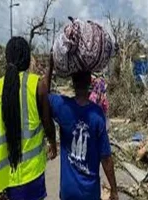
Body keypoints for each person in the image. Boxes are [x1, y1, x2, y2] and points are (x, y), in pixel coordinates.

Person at [0, 37, 56, 200]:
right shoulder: (37, 85)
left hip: (6, 182)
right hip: (32, 176)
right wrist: (53, 144)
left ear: (7, 59)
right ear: (28, 59)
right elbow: (48, 124)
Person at [47, 58, 118, 200]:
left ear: (72, 82)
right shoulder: (97, 115)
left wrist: (51, 65)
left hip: (68, 191)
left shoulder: (62, 106)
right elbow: (106, 157)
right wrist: (114, 189)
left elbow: (42, 94)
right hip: (89, 192)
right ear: (89, 83)